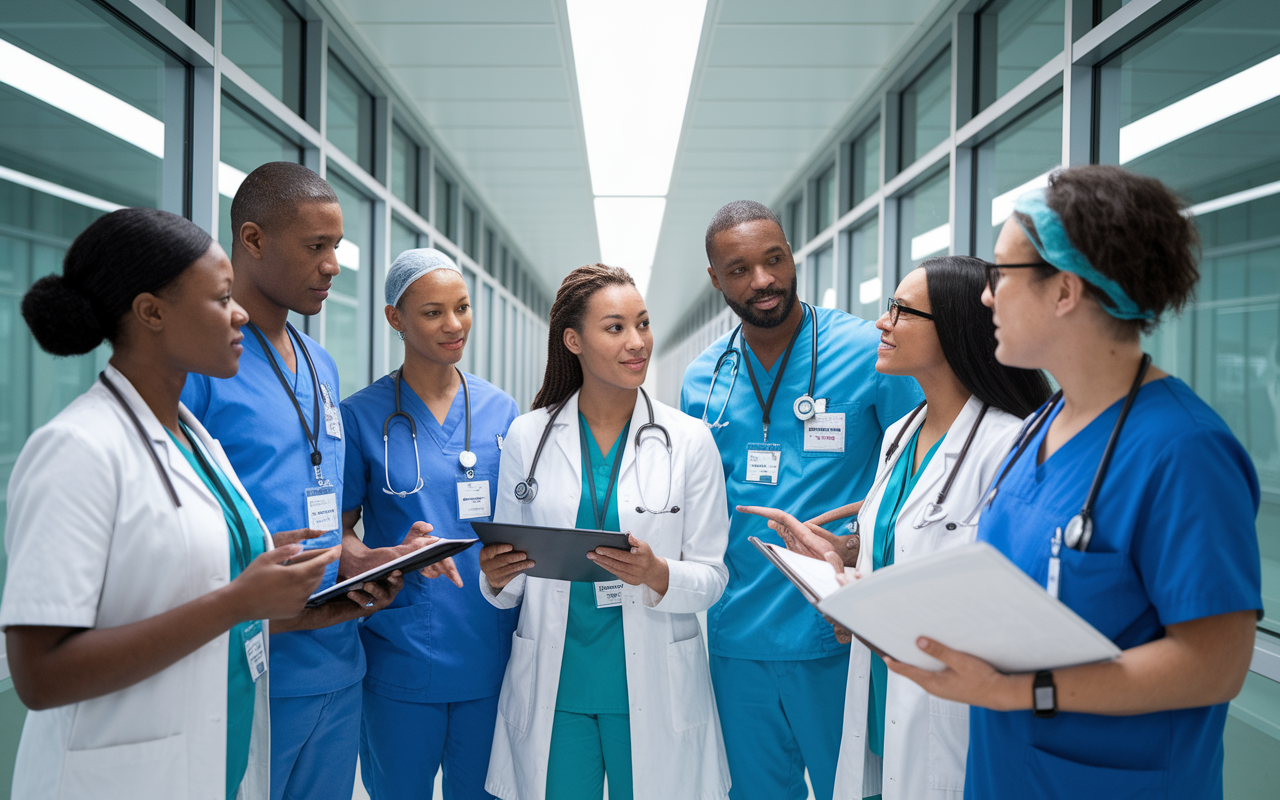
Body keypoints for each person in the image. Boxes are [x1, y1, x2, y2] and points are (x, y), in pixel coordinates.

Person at [884, 165, 1262, 799]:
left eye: (1002, 275)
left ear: (1064, 290)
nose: (985, 296)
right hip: (1005, 776)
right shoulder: (1040, 427)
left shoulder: (1183, 451)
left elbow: (1216, 665)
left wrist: (1019, 691)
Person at [0, 207, 379, 800]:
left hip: (212, 757)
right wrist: (237, 601)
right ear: (151, 311)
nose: (240, 314)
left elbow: (188, 580)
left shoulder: (194, 441)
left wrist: (296, 601)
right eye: (222, 297)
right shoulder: (76, 449)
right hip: (116, 775)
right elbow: (39, 675)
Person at [739, 255, 1052, 799]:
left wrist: (876, 604)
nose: (883, 323)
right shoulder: (901, 434)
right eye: (889, 307)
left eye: (902, 312)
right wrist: (843, 560)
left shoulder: (1008, 445)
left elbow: (1013, 598)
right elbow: (897, 554)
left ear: (954, 330)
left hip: (954, 715)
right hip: (887, 696)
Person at [181, 162, 417, 800]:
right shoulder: (202, 365)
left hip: (337, 660)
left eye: (336, 246)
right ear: (252, 241)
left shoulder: (321, 364)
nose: (334, 265)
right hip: (253, 669)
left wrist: (366, 557)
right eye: (316, 247)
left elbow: (319, 501)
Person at [679, 200, 922, 800]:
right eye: (738, 270)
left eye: (774, 260)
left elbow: (918, 474)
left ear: (791, 256)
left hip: (837, 629)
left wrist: (863, 545)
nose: (762, 281)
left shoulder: (871, 351)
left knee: (858, 790)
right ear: (715, 279)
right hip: (736, 637)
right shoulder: (703, 378)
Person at [477, 264, 731, 800]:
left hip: (654, 679)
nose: (636, 342)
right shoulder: (529, 435)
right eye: (615, 327)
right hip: (558, 681)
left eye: (642, 324)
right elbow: (511, 571)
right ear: (574, 340)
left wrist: (658, 573)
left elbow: (712, 576)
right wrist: (499, 576)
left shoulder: (689, 440)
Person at [340, 248, 519, 799]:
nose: (454, 325)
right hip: (400, 652)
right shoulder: (361, 414)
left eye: (462, 308)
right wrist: (388, 555)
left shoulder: (501, 411)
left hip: (489, 652)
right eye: (433, 312)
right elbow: (341, 536)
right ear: (395, 318)